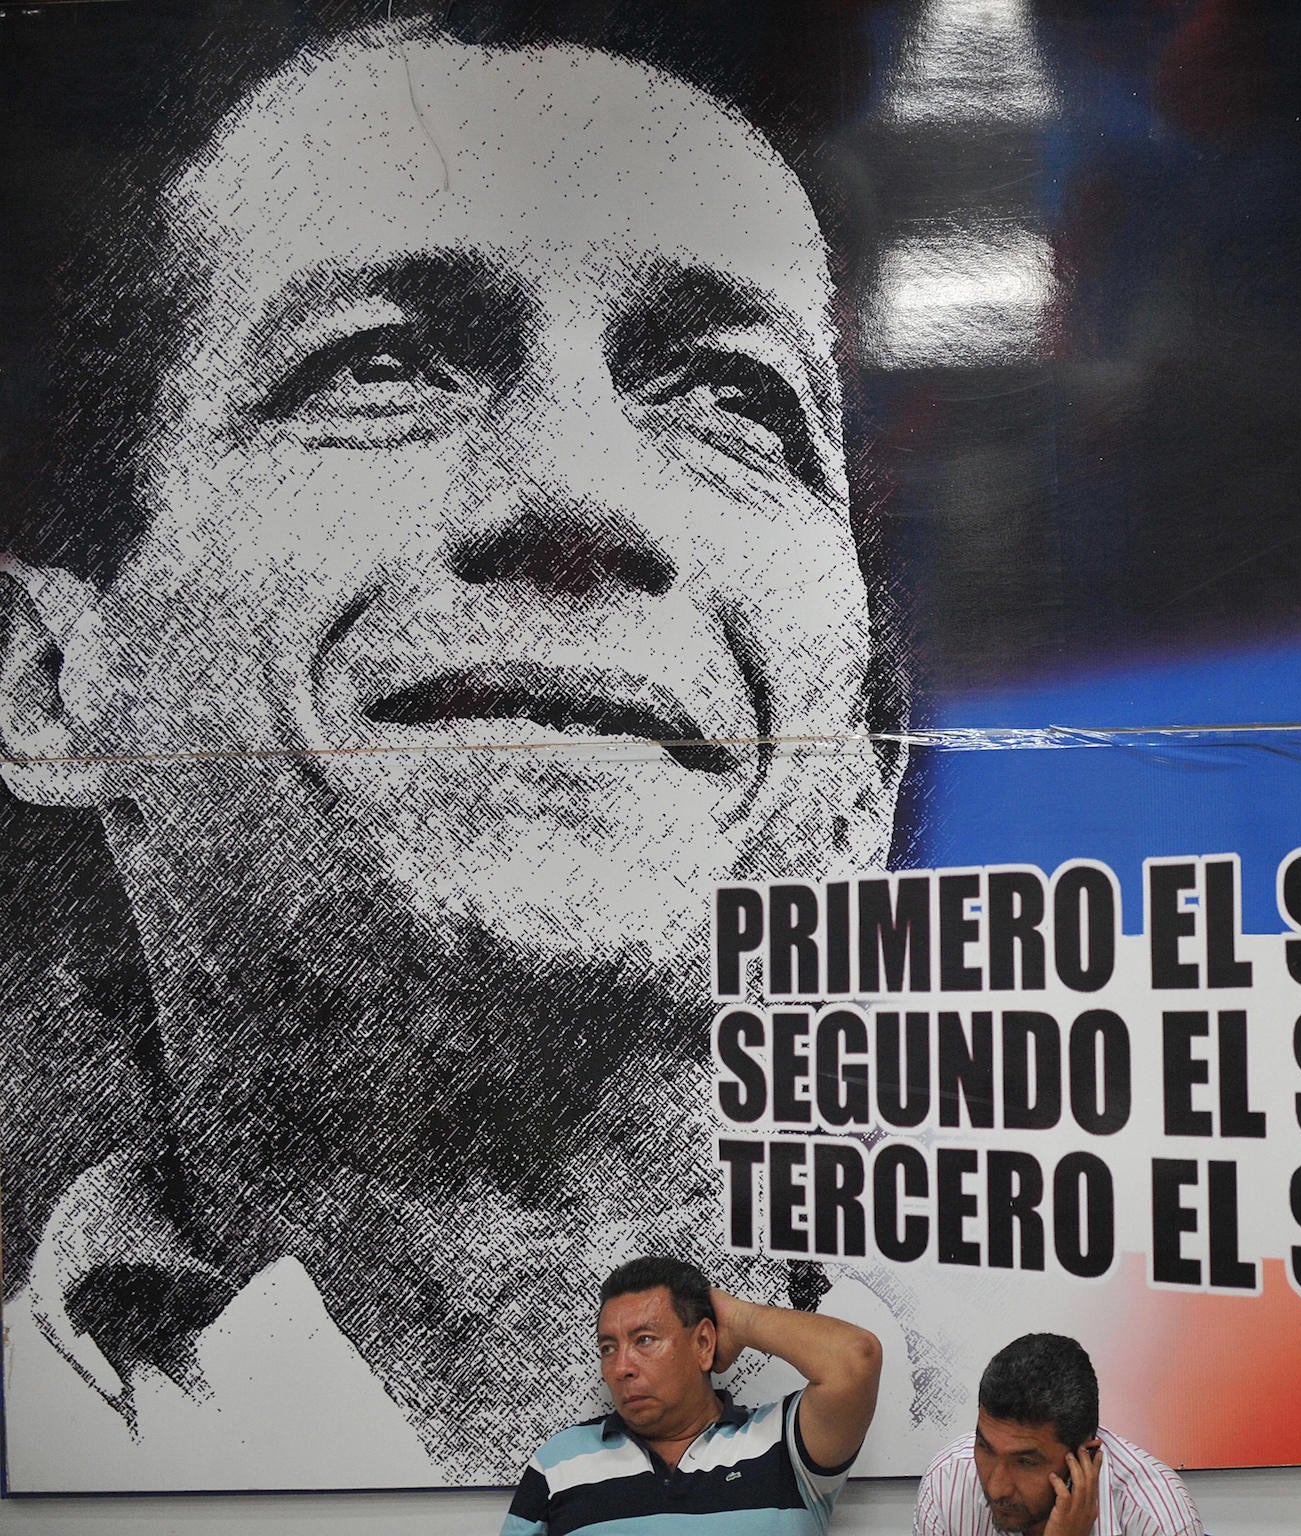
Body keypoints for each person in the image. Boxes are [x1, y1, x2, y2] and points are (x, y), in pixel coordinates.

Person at [0, 7, 904, 1489]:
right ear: (51, 680)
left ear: (865, 761)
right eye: (379, 366)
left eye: (734, 399)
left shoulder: (1176, 1430)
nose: (577, 493)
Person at [503, 1256, 881, 1535]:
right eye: (607, 1348)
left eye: (644, 1340)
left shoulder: (783, 1446)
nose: (621, 1368)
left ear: (703, 1343)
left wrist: (739, 1320)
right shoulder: (559, 1463)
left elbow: (856, 1358)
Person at [914, 1334, 1203, 1536]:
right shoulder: (948, 1481)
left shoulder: (1157, 1519)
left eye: (1025, 1462)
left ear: (1086, 1456)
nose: (996, 1488)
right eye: (985, 1448)